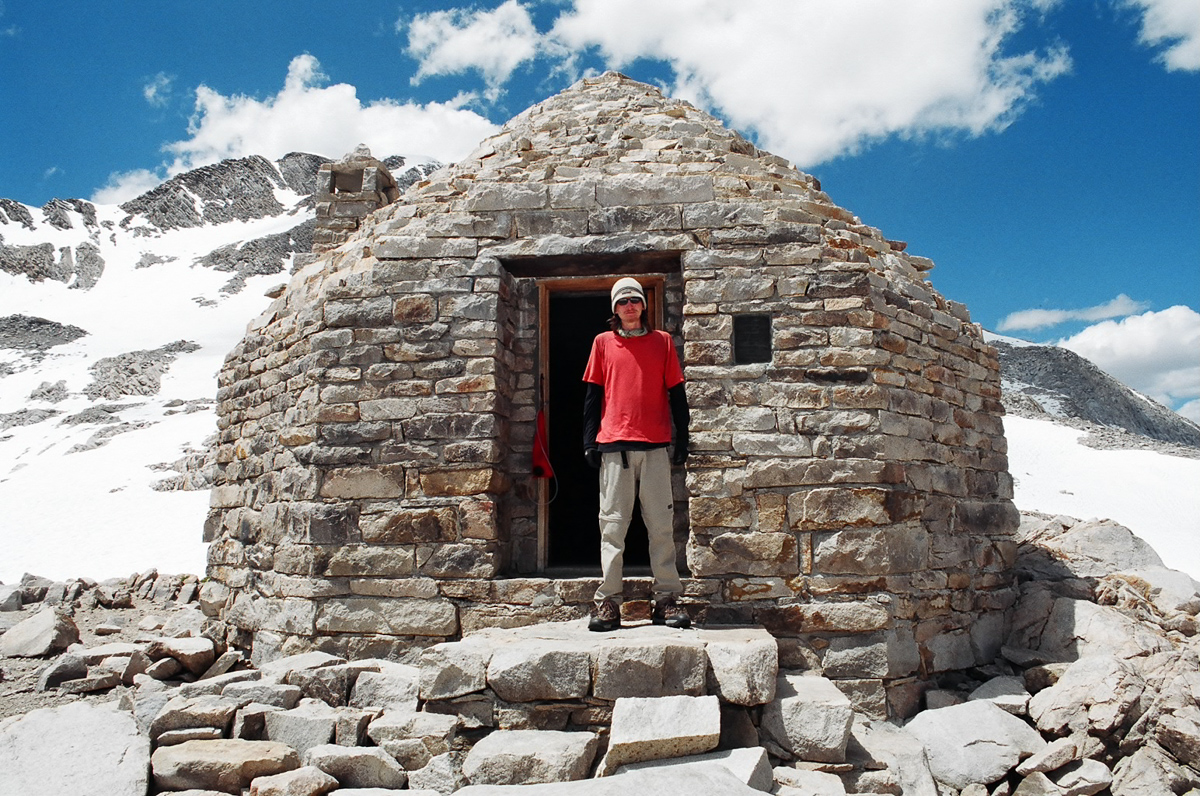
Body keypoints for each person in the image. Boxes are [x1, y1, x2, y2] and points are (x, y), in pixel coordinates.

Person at [582, 277, 691, 631]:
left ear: (644, 305)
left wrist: (683, 439)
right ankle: (609, 603)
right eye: (622, 301)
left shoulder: (662, 343)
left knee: (660, 526)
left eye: (635, 299)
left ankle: (667, 599)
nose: (629, 306)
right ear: (614, 308)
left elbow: (676, 394)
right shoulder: (602, 343)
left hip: (655, 445)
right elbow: (592, 397)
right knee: (612, 527)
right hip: (615, 446)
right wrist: (589, 441)